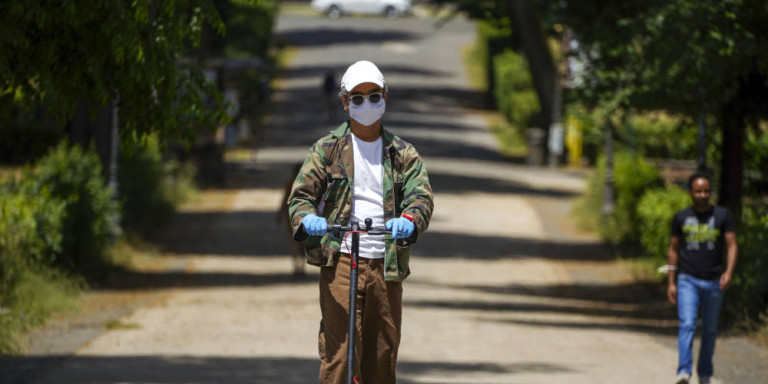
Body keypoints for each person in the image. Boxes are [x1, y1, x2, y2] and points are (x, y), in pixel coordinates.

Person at [287, 60, 433, 384]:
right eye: (357, 98)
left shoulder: (403, 153)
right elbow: (300, 196)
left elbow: (421, 196)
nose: (366, 103)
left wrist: (410, 219)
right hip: (341, 259)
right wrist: (308, 218)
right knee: (340, 357)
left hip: (386, 263)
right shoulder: (326, 150)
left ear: (385, 96)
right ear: (344, 101)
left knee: (382, 356)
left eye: (373, 96)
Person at [667, 172, 738, 384]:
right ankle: (684, 371)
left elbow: (732, 245)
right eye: (698, 191)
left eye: (706, 191)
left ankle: (705, 373)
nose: (702, 195)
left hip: (714, 281)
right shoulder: (681, 217)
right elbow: (673, 249)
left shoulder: (722, 216)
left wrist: (729, 272)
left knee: (709, 329)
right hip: (687, 279)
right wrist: (671, 281)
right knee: (687, 323)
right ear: (690, 193)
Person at [276, 162, 306, 277]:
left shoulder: (290, 183)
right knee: (303, 243)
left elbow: (284, 200)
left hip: (291, 215)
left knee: (294, 242)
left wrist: (280, 214)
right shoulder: (307, 182)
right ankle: (301, 266)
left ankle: (296, 266)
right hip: (305, 215)